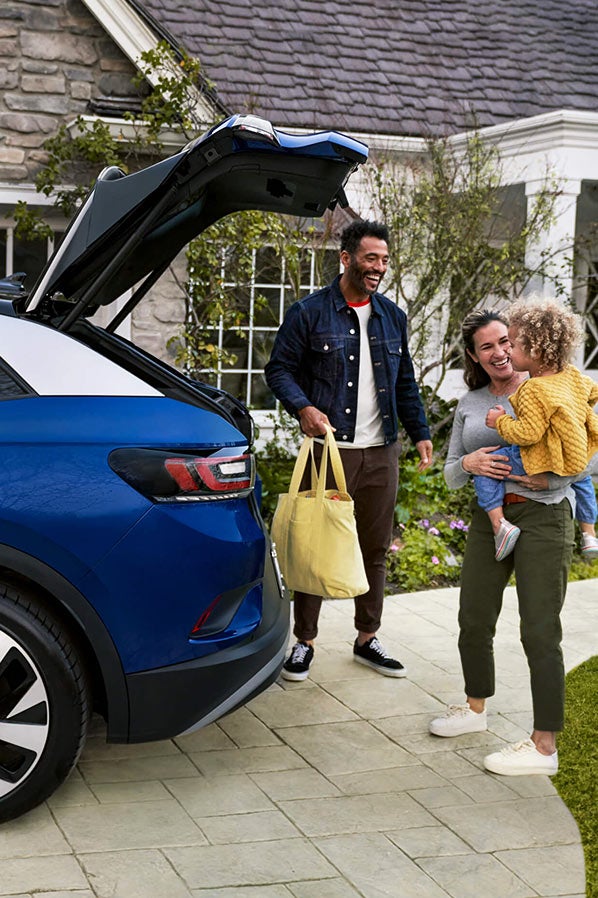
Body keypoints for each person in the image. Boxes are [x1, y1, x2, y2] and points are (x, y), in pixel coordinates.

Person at [428, 307, 593, 776]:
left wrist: (547, 479)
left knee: (539, 630)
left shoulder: (553, 386)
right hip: (490, 521)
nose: (500, 352)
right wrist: (470, 464)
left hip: (544, 518)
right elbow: (450, 472)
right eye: (488, 346)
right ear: (474, 356)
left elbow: (588, 457)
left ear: (524, 344)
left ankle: (544, 746)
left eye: (506, 341)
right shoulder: (471, 403)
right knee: (474, 617)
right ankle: (474, 709)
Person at [265, 220, 433, 681]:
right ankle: (304, 642)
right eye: (370, 258)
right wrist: (303, 407)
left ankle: (366, 638)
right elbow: (278, 370)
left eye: (384, 260)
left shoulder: (392, 317)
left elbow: (404, 381)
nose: (379, 267)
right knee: (313, 544)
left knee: (374, 548)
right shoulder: (309, 313)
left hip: (381, 452)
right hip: (329, 451)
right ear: (346, 258)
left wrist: (419, 430)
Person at [471, 299, 598, 562]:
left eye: (513, 345)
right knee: (583, 481)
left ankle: (500, 525)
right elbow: (593, 393)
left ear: (536, 350)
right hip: (571, 455)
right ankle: (589, 534)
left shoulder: (532, 388)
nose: (507, 351)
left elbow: (528, 434)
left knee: (485, 467)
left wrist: (500, 421)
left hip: (539, 458)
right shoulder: (572, 375)